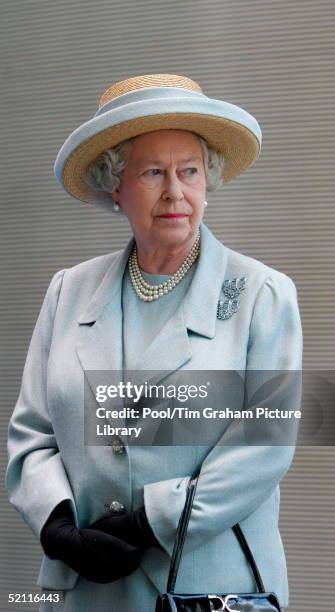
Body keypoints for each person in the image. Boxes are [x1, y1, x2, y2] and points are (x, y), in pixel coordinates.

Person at [5, 73, 301, 612]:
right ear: (115, 186)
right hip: (87, 590)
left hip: (203, 585)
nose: (175, 191)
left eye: (189, 171)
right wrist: (56, 522)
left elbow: (265, 443)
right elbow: (32, 431)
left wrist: (151, 519)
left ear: (207, 180)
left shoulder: (262, 295)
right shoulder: (68, 291)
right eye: (152, 172)